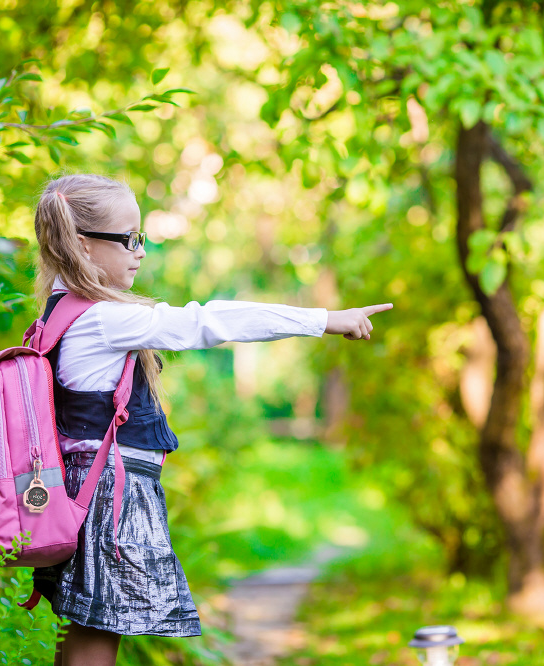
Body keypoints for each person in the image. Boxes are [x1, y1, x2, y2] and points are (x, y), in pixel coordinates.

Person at [29, 173, 391, 666]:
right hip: (108, 497)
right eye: (129, 239)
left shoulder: (60, 311)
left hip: (84, 491)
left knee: (81, 639)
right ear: (83, 244)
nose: (140, 251)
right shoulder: (103, 319)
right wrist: (324, 320)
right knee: (95, 644)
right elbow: (208, 321)